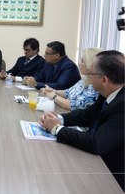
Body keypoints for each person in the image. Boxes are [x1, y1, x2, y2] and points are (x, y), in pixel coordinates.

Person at [39, 50, 124, 191]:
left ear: (104, 80)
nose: (88, 77)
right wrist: (58, 118)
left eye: (91, 74)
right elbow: (88, 114)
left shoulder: (122, 105)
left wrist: (56, 128)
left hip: (112, 176)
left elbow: (96, 143)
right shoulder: (108, 92)